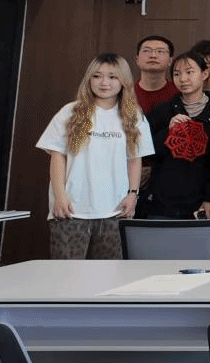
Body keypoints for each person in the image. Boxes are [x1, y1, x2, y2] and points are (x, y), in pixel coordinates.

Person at [38, 53, 154, 259]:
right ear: (88, 79)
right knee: (67, 273)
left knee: (108, 274)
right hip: (71, 210)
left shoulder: (134, 116)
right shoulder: (70, 112)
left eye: (112, 77)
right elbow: (57, 157)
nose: (104, 83)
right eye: (97, 76)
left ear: (123, 81)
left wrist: (132, 195)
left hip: (115, 211)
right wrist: (60, 197)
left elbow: (135, 160)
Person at [142, 52, 210, 220]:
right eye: (177, 74)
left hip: (203, 202)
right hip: (165, 201)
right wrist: (168, 131)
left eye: (189, 72)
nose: (183, 79)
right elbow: (147, 153)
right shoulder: (162, 110)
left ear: (204, 74)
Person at [133, 35, 177, 113]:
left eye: (160, 51)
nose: (153, 56)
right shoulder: (126, 93)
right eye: (146, 51)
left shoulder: (179, 93)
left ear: (170, 61)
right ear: (137, 59)